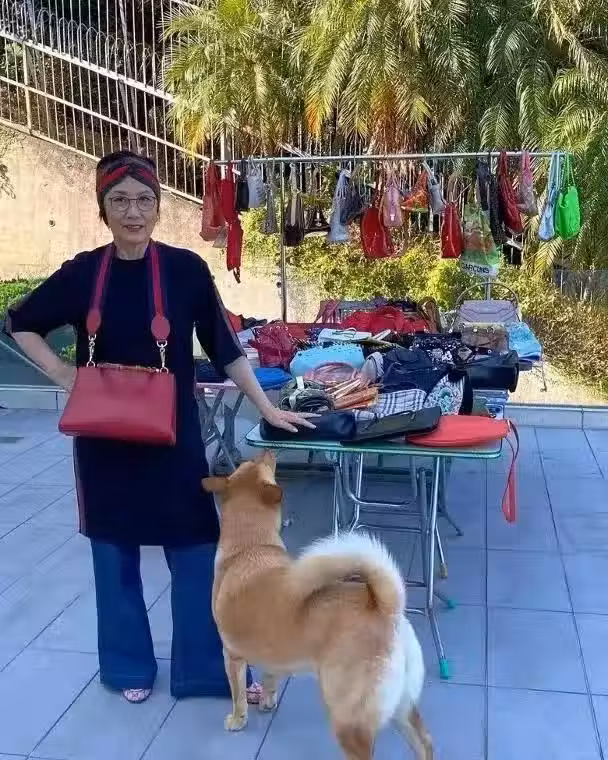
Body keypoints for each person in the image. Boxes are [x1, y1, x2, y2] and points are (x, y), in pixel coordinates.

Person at [3, 150, 313, 704]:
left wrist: (267, 408)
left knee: (194, 549)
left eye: (144, 200)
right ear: (102, 207)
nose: (133, 212)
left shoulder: (184, 270)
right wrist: (63, 374)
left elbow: (224, 347)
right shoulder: (83, 273)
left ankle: (205, 671)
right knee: (114, 553)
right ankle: (128, 668)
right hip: (104, 444)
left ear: (158, 207)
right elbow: (20, 322)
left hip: (175, 442)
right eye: (120, 200)